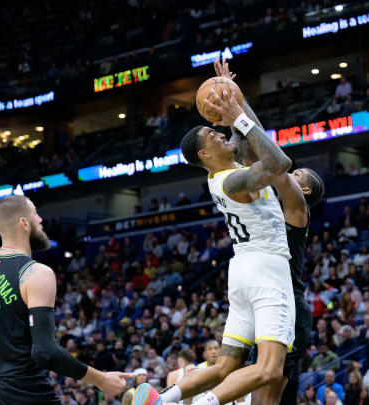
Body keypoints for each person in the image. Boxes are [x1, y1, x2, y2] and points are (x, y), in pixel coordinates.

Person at [134, 59, 296, 405]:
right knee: (270, 370)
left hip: (242, 272)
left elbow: (252, 137)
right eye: (213, 134)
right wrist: (236, 114)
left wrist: (235, 103)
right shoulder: (234, 180)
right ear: (205, 153)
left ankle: (161, 400)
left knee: (225, 364)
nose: (221, 133)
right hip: (266, 269)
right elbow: (279, 163)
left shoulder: (226, 170)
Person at [0, 196, 131, 405]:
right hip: (19, 391)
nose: (41, 219)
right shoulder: (36, 273)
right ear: (24, 223)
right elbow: (45, 352)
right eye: (35, 213)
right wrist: (101, 379)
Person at [215, 57, 324, 405]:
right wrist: (238, 100)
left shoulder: (296, 209)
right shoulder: (269, 199)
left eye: (298, 175)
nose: (292, 174)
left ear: (303, 190)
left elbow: (273, 159)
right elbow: (258, 150)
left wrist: (239, 114)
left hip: (286, 306)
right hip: (267, 301)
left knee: (266, 399)